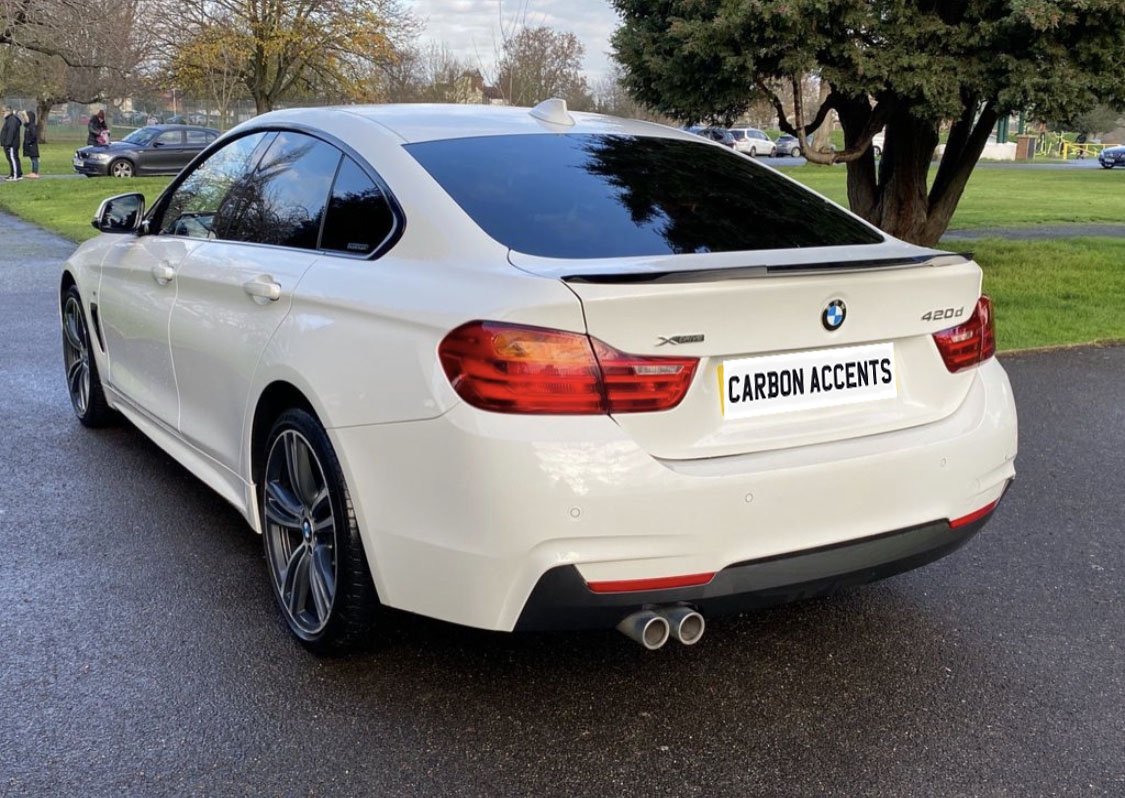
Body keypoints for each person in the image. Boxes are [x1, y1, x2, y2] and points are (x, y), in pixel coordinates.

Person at [1, 107, 23, 181]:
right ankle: (13, 174)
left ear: (9, 111)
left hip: (12, 144)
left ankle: (16, 176)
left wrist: (8, 143)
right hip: (9, 144)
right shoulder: (9, 120)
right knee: (11, 159)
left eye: (4, 111)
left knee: (13, 159)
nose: (2, 113)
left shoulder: (12, 120)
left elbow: (11, 132)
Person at [19, 110, 39, 179]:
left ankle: (35, 173)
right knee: (32, 159)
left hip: (32, 146)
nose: (24, 118)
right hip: (29, 146)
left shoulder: (32, 126)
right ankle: (33, 172)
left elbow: (34, 136)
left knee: (34, 159)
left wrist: (29, 142)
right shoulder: (28, 126)